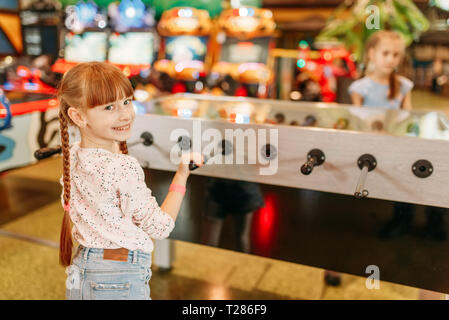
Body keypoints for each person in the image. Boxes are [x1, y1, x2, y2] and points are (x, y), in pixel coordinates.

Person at [58, 62, 203, 300]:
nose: (125, 114)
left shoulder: (72, 154)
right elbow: (160, 227)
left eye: (127, 101)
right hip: (118, 278)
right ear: (78, 116)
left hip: (83, 270)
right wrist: (182, 174)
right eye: (109, 107)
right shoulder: (123, 167)